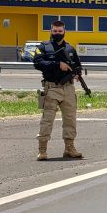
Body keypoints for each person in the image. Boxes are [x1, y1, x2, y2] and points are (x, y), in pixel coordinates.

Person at [32, 19, 83, 160]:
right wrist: (57, 64)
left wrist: (78, 73)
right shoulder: (43, 47)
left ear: (64, 31)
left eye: (60, 31)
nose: (57, 33)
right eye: (55, 31)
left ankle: (69, 148)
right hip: (52, 87)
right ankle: (42, 150)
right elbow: (37, 63)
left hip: (68, 88)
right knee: (47, 119)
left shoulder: (70, 49)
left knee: (70, 119)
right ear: (51, 31)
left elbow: (78, 65)